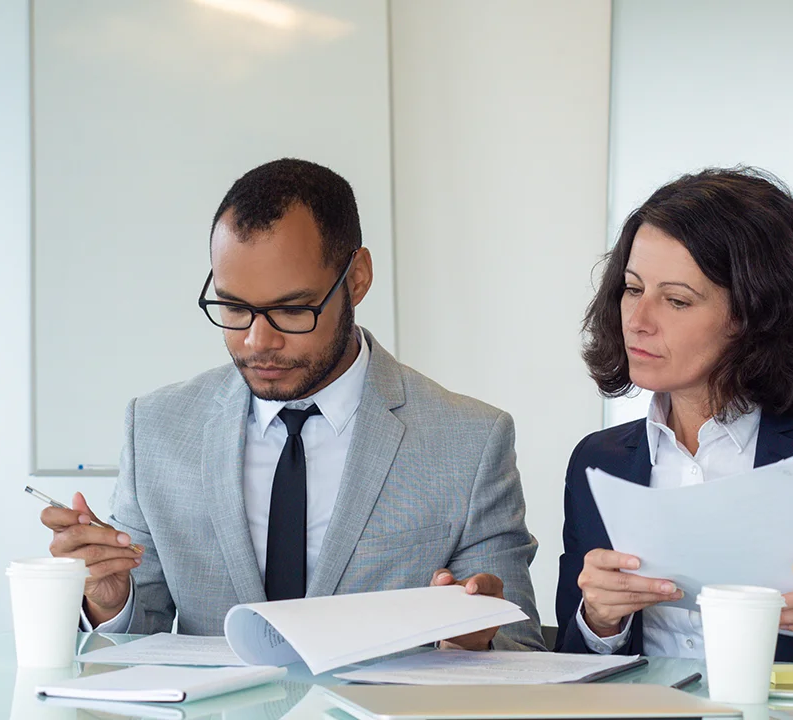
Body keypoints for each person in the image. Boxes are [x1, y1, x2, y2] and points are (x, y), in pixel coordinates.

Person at [42, 158, 543, 651]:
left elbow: (520, 649)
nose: (258, 341)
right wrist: (109, 602)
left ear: (357, 279)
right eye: (234, 308)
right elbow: (134, 640)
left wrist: (475, 642)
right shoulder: (154, 429)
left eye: (290, 309)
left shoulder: (471, 440)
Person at [554, 167, 793, 697]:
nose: (637, 320)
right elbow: (569, 676)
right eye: (631, 289)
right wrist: (599, 622)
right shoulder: (597, 461)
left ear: (753, 313)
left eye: (676, 300)